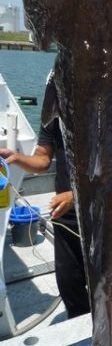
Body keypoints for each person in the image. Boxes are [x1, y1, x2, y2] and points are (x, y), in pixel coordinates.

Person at [0, 95, 90, 319]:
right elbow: (42, 160)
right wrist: (16, 158)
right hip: (65, 212)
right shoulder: (54, 110)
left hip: (100, 212)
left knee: (104, 272)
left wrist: (77, 196)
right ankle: (80, 325)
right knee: (68, 279)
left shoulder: (104, 112)